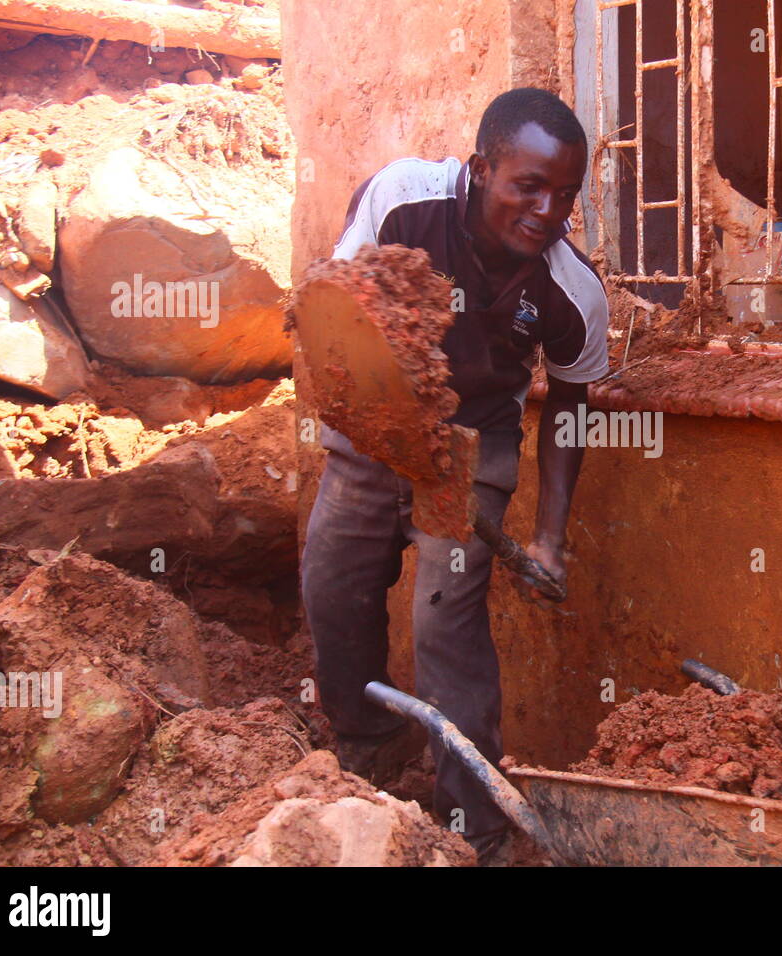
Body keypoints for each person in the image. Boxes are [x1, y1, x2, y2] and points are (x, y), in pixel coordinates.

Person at [300, 87, 608, 863]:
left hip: (471, 453)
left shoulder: (572, 293)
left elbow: (570, 413)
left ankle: (476, 826)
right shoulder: (403, 200)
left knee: (447, 630)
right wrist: (383, 425)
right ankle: (364, 757)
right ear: (481, 169)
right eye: (528, 185)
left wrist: (548, 537)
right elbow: (333, 310)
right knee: (333, 586)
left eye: (566, 193)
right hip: (371, 429)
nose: (548, 210)